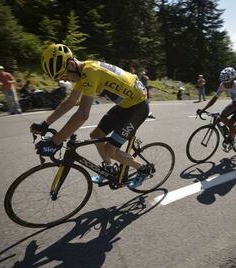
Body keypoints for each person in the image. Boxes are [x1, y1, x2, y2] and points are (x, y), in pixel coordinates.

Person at [31, 44, 151, 188]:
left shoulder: (90, 72)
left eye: (64, 75)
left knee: (110, 150)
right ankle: (109, 168)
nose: (66, 80)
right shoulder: (83, 72)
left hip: (138, 108)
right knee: (96, 135)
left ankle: (143, 169)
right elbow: (70, 101)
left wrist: (55, 141)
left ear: (71, 64)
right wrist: (45, 124)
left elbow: (82, 115)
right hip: (126, 105)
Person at [197, 67, 236, 145]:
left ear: (232, 80)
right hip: (235, 102)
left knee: (231, 121)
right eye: (223, 82)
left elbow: (234, 106)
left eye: (227, 83)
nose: (224, 85)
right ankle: (231, 129)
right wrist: (203, 109)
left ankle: (231, 137)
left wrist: (225, 120)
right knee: (222, 115)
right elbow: (214, 99)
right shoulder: (222, 85)